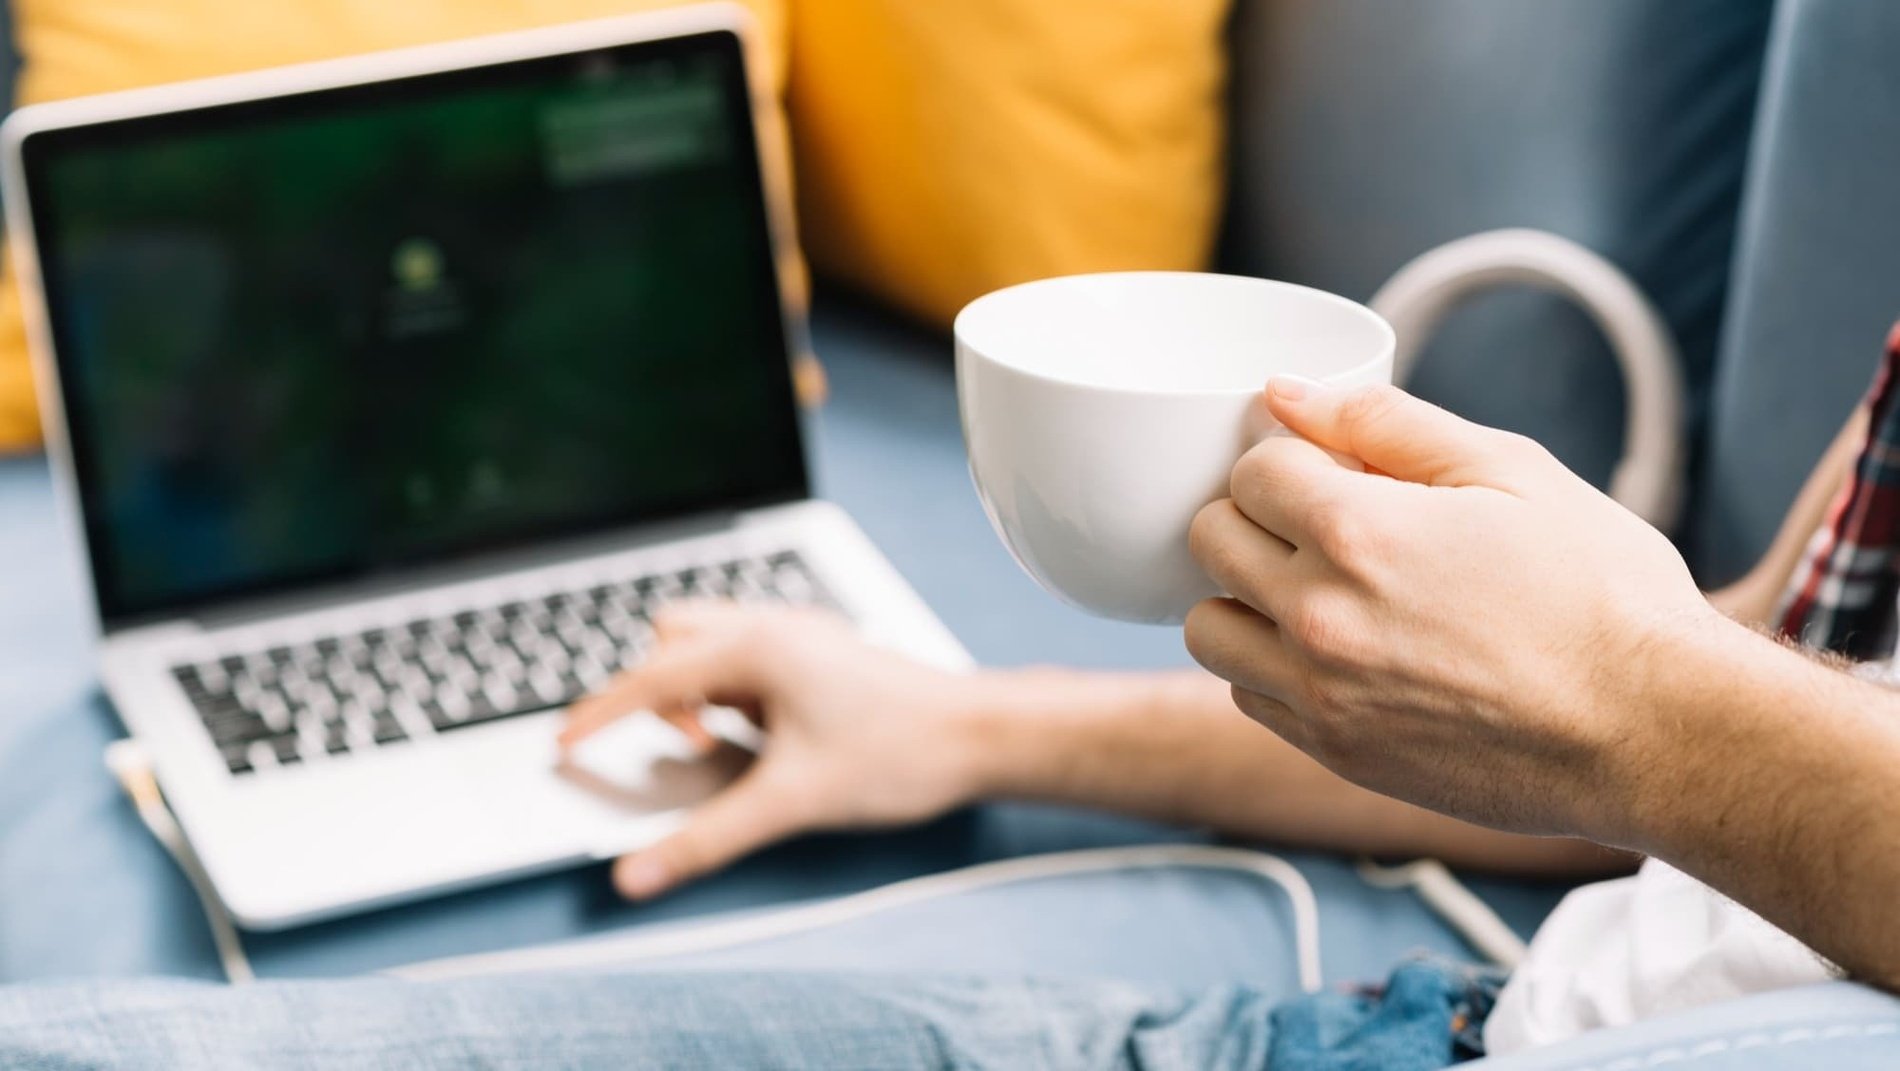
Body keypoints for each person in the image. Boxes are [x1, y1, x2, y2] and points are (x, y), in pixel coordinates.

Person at [5, 333, 1897, 1068]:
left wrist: (1629, 693)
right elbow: (1745, 729)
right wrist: (964, 727)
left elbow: (1667, 718)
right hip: (1402, 1029)